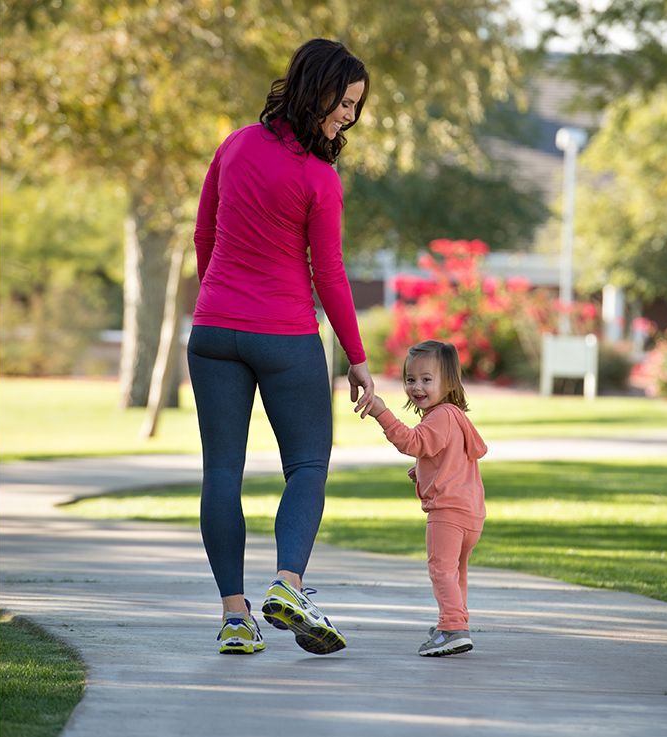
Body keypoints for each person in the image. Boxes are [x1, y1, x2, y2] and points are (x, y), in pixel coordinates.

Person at [188, 38, 374, 655]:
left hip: (213, 330)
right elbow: (331, 274)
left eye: (355, 107)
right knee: (307, 465)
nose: (348, 115)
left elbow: (204, 232)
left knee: (221, 471)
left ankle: (236, 618)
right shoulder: (318, 177)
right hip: (286, 335)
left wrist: (219, 293)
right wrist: (357, 358)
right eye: (345, 102)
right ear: (317, 89)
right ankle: (289, 585)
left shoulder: (236, 143)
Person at [357, 340, 488, 656]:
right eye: (410, 379)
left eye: (426, 380)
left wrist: (382, 413)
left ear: (449, 383)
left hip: (448, 513)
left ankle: (453, 627)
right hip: (471, 514)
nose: (416, 387)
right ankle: (454, 622)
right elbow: (449, 457)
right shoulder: (454, 415)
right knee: (456, 572)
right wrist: (424, 470)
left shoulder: (439, 416)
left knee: (441, 570)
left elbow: (412, 442)